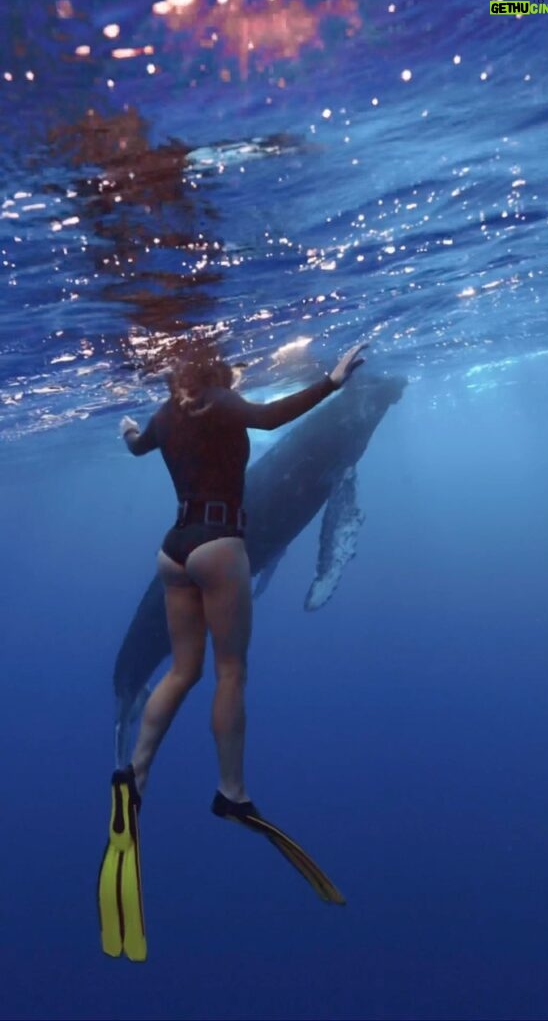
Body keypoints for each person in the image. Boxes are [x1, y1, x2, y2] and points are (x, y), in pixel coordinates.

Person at [98, 342, 366, 961]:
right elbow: (273, 420)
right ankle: (232, 791)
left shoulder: (169, 414)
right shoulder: (225, 401)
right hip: (221, 543)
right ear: (214, 369)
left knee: (182, 670)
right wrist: (331, 380)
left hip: (173, 550)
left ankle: (131, 776)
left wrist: (130, 431)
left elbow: (138, 444)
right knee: (229, 671)